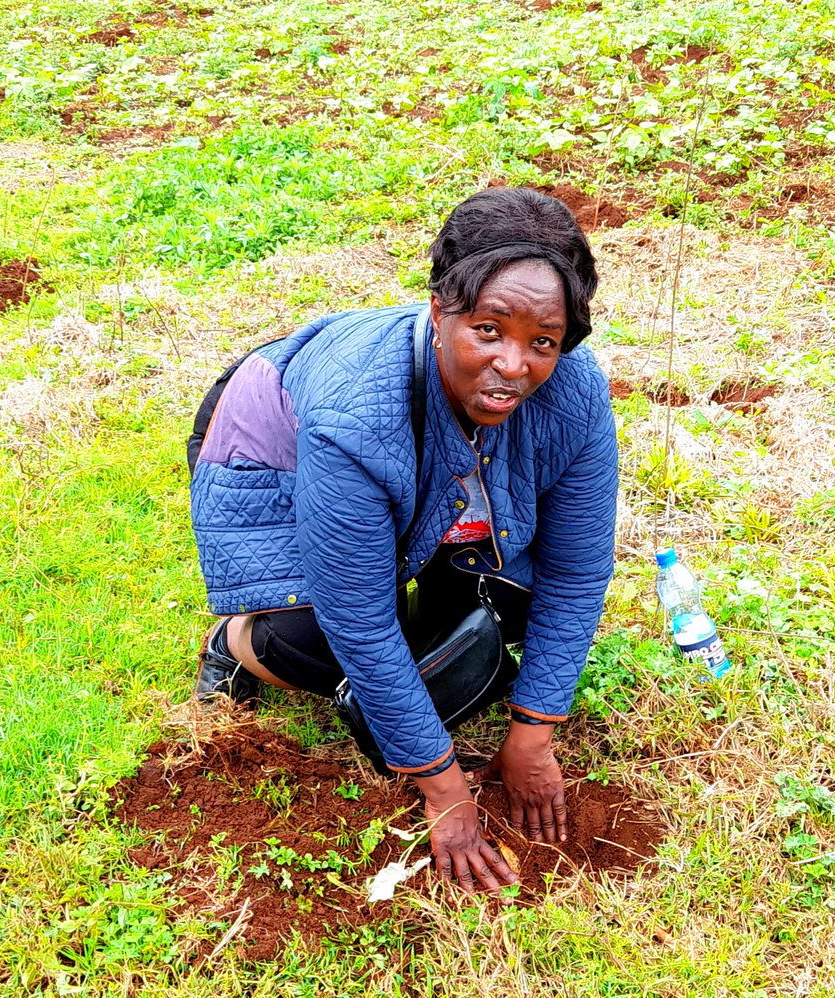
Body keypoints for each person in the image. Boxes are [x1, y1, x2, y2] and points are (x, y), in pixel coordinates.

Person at [187, 186, 618, 895]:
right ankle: (234, 643)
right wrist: (443, 786)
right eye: (489, 330)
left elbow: (575, 572)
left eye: (542, 341)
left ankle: (416, 634)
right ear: (440, 309)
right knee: (321, 641)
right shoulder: (355, 416)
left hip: (435, 463)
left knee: (506, 612)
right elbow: (356, 614)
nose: (514, 365)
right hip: (280, 453)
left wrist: (533, 734)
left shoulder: (572, 392)